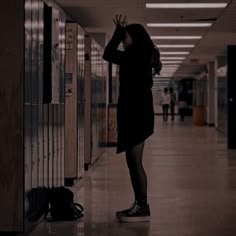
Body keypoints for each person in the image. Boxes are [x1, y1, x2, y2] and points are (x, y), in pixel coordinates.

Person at [103, 14, 162, 222]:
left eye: (126, 37)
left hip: (137, 115)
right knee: (133, 161)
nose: (124, 41)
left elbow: (108, 53)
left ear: (135, 38)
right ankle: (139, 203)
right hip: (137, 114)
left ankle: (142, 206)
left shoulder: (136, 54)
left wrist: (118, 32)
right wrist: (121, 33)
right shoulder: (140, 54)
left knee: (135, 161)